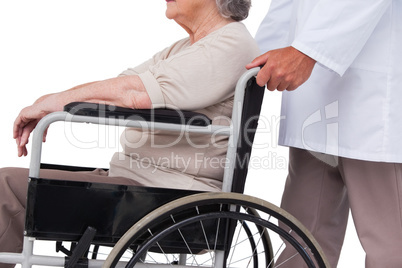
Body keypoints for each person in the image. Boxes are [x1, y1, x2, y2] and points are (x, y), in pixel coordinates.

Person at [0, 0, 259, 265]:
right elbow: (120, 84)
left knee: (5, 187)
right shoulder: (190, 47)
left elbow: (134, 95)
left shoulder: (230, 44)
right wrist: (53, 100)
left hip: (169, 196)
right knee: (7, 182)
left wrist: (53, 104)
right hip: (140, 183)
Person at [246, 0, 402, 267]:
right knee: (301, 243)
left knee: (390, 246)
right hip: (311, 103)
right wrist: (249, 62)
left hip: (371, 104)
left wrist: (307, 51)